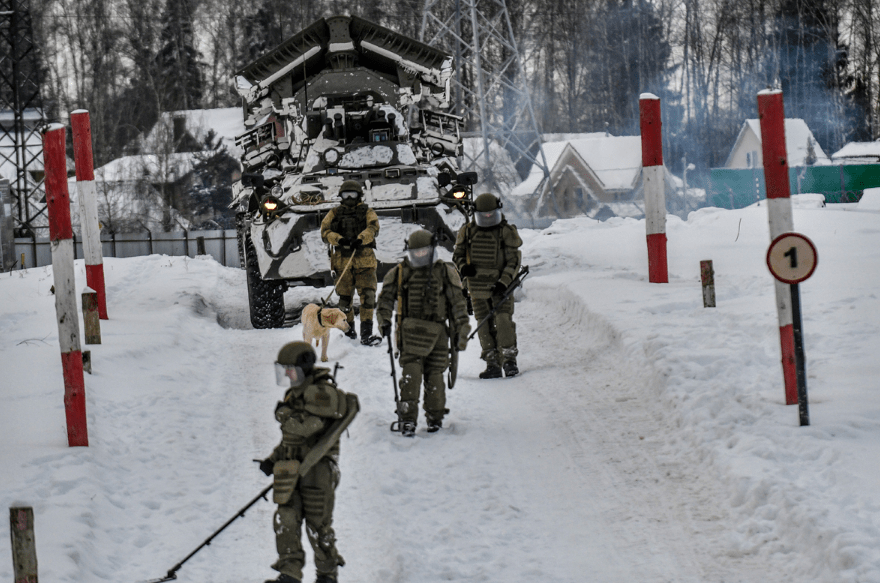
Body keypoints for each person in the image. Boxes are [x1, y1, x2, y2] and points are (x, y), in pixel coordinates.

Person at [259, 341, 356, 583]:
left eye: (290, 370)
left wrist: (283, 414)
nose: (287, 376)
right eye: (284, 371)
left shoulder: (321, 393)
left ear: (304, 367)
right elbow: (291, 439)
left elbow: (304, 428)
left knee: (318, 525)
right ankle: (289, 573)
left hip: (318, 470)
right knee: (286, 518)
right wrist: (274, 459)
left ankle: (327, 574)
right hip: (291, 468)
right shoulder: (295, 394)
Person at [376, 229, 471, 436]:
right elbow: (384, 300)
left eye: (423, 252)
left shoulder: (446, 272)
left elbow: (457, 303)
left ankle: (435, 418)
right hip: (410, 334)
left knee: (435, 377)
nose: (419, 256)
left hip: (438, 334)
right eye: (415, 252)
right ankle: (408, 419)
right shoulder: (399, 273)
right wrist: (383, 321)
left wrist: (461, 329)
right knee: (411, 376)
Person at [452, 193, 523, 379]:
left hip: (501, 288)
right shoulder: (467, 231)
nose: (488, 218)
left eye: (491, 214)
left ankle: (509, 361)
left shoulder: (506, 231)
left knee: (503, 322)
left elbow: (513, 261)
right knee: (483, 326)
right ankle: (492, 363)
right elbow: (458, 255)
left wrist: (504, 282)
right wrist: (463, 268)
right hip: (476, 288)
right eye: (484, 215)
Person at [320, 180, 381, 345]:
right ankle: (349, 331)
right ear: (341, 196)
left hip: (364, 260)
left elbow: (374, 227)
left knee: (368, 297)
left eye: (352, 195)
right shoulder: (334, 213)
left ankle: (366, 334)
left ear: (359, 196)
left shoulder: (367, 211)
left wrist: (360, 239)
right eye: (345, 195)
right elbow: (325, 231)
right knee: (345, 300)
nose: (349, 198)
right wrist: (339, 240)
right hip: (342, 262)